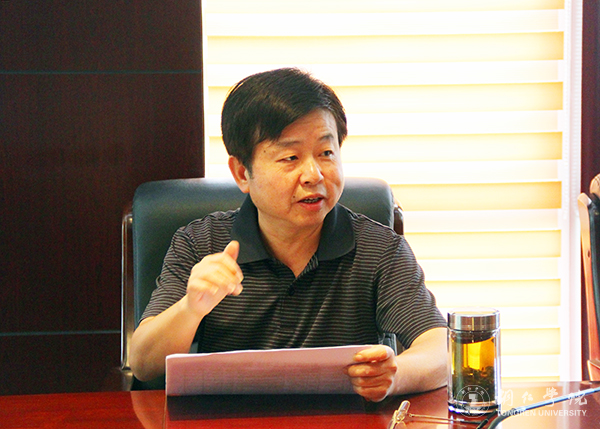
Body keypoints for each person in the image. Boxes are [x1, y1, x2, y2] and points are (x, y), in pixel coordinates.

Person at [129, 68, 447, 402]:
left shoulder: (378, 248)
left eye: (326, 153)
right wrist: (191, 309)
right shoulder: (201, 242)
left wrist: (395, 375)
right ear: (242, 173)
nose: (313, 175)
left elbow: (438, 344)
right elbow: (144, 365)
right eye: (290, 157)